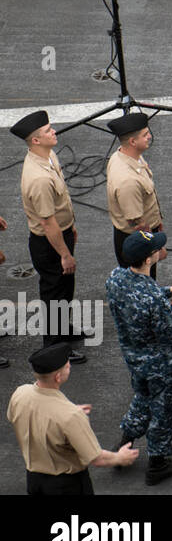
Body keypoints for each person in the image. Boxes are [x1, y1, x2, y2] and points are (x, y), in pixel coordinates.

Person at [104, 230, 172, 486]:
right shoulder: (153, 299)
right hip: (162, 365)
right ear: (148, 259)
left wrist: (166, 291)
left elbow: (136, 293)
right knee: (165, 411)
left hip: (134, 359)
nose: (158, 252)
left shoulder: (116, 278)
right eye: (155, 250)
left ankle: (126, 441)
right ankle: (158, 462)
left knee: (142, 398)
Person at [7, 344, 139, 495]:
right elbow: (96, 458)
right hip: (66, 486)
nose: (69, 368)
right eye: (68, 367)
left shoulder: (20, 394)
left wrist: (64, 415)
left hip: (34, 480)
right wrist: (120, 458)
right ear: (58, 377)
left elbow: (31, 415)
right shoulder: (70, 416)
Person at [11, 111, 84, 358]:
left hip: (61, 233)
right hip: (50, 243)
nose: (54, 132)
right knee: (54, 292)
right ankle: (54, 346)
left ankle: (64, 329)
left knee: (65, 286)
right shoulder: (39, 178)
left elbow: (61, 201)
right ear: (36, 141)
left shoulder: (48, 155)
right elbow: (48, 221)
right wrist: (65, 254)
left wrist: (70, 226)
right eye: (47, 131)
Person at [105, 113, 163, 274]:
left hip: (142, 232)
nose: (149, 137)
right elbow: (139, 224)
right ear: (132, 141)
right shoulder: (127, 181)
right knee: (142, 287)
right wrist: (156, 246)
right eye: (145, 135)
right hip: (138, 240)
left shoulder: (123, 155)